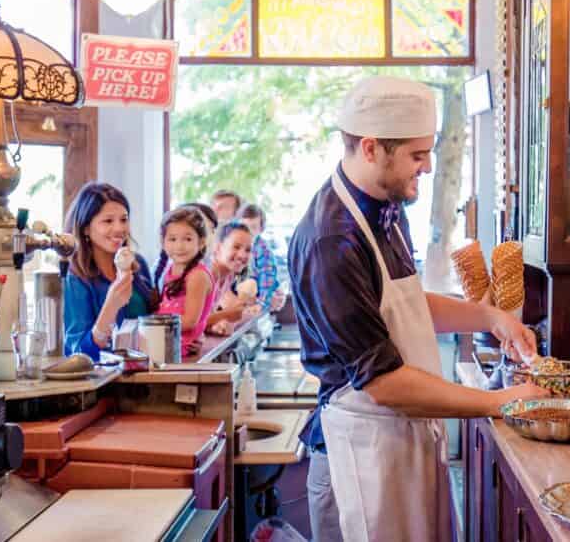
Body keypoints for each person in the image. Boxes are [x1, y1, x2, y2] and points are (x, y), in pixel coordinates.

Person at [289, 75, 547, 542]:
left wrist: (491, 317)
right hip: (360, 452)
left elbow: (403, 305)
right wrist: (498, 402)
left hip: (398, 441)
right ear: (370, 148)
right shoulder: (332, 241)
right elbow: (385, 383)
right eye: (416, 154)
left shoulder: (385, 208)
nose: (427, 167)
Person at [63, 182, 155, 360]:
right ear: (86, 228)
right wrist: (111, 305)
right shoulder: (74, 279)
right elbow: (78, 353)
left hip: (145, 375)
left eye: (124, 219)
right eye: (108, 221)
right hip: (104, 383)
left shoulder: (139, 265)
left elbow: (153, 320)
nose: (120, 228)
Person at [152, 207, 217, 357]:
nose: (179, 246)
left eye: (187, 239)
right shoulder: (170, 271)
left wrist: (151, 324)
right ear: (163, 242)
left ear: (201, 242)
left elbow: (189, 321)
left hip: (180, 348)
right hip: (167, 342)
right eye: (172, 239)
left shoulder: (197, 276)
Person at [205, 220, 260, 335]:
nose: (242, 255)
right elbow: (192, 323)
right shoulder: (207, 274)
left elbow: (208, 316)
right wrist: (226, 315)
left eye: (248, 250)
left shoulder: (229, 275)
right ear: (218, 248)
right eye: (236, 247)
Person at [238, 203, 280, 310]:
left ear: (261, 229)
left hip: (256, 302)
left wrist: (260, 304)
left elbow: (267, 278)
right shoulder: (235, 245)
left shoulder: (263, 250)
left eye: (253, 227)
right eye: (244, 227)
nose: (248, 231)